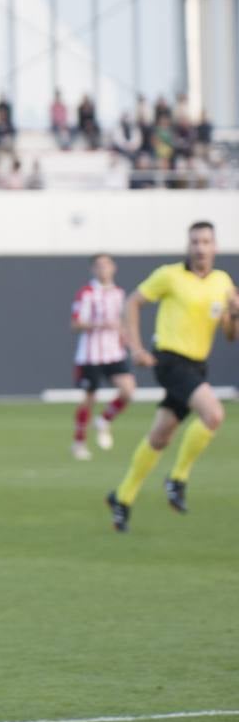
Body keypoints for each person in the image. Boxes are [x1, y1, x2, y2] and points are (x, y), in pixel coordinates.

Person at [106, 222, 238, 532]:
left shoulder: (222, 282)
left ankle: (122, 497)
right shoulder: (170, 275)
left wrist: (235, 313)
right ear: (188, 246)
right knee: (214, 414)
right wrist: (136, 347)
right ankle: (177, 478)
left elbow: (231, 335)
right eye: (195, 241)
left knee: (161, 435)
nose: (200, 248)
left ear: (215, 247)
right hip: (169, 360)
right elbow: (133, 302)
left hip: (196, 366)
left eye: (206, 241)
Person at [70, 254, 134, 460]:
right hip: (91, 355)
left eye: (106, 265)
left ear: (113, 267)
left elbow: (122, 322)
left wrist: (127, 339)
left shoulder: (119, 293)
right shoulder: (86, 293)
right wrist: (99, 324)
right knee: (89, 399)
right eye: (99, 266)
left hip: (114, 352)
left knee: (128, 391)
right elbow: (75, 324)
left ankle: (105, 420)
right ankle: (79, 442)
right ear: (93, 270)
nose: (103, 269)